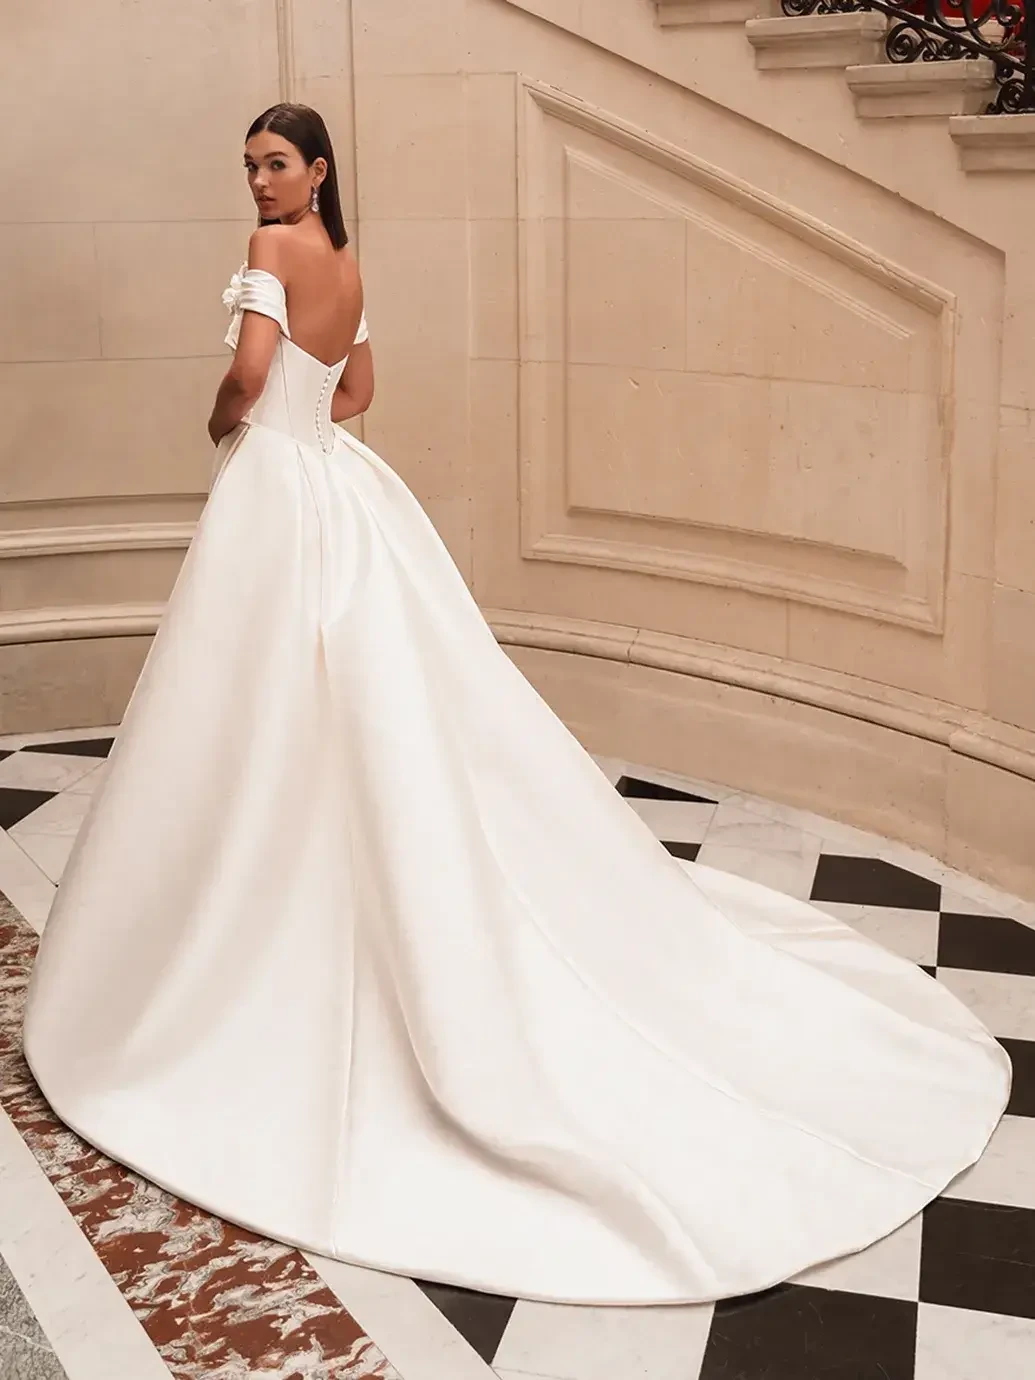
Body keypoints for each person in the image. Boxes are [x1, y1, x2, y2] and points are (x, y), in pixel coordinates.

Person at [22, 103, 1010, 1306]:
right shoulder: (348, 259)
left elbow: (248, 376)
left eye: (276, 163)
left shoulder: (274, 252)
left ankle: (241, 934)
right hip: (338, 485)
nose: (262, 182)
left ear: (319, 166)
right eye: (250, 167)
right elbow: (358, 393)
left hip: (277, 492)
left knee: (254, 710)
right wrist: (296, 430)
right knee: (348, 706)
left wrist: (231, 427)